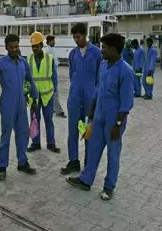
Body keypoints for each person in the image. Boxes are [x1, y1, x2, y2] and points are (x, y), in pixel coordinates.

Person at [66, 33, 134, 200]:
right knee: (93, 149)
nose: (101, 50)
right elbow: (98, 90)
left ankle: (109, 187)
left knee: (113, 154)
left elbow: (127, 103)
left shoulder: (126, 71)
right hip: (98, 117)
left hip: (114, 121)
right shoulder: (103, 65)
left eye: (104, 48)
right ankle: (85, 180)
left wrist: (118, 124)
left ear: (113, 49)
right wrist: (91, 112)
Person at [0, 34, 39, 181]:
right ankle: (2, 166)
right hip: (7, 104)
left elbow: (30, 79)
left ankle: (22, 162)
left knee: (23, 134)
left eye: (16, 46)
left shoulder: (23, 63)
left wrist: (34, 98)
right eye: (11, 47)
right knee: (6, 135)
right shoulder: (0, 63)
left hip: (21, 104)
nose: (14, 49)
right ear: (6, 47)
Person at [61, 23, 102, 176]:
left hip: (90, 98)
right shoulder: (73, 54)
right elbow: (72, 74)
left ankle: (88, 162)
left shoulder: (97, 53)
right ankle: (73, 161)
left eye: (78, 37)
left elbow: (99, 77)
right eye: (74, 37)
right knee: (73, 130)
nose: (76, 40)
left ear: (85, 35)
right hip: (74, 97)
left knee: (88, 130)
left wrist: (96, 96)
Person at [26, 32, 60, 154]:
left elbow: (54, 77)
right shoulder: (28, 60)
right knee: (34, 120)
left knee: (48, 120)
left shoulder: (49, 59)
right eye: (33, 46)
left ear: (41, 45)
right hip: (34, 96)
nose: (35, 48)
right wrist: (27, 94)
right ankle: (36, 143)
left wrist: (53, 91)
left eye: (37, 46)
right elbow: (25, 79)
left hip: (47, 95)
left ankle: (51, 143)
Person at [44, 35, 66, 118]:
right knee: (55, 92)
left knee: (52, 92)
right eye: (53, 41)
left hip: (52, 72)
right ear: (50, 41)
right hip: (52, 73)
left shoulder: (50, 50)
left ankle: (53, 108)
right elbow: (53, 63)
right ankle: (59, 111)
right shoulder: (49, 51)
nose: (55, 42)